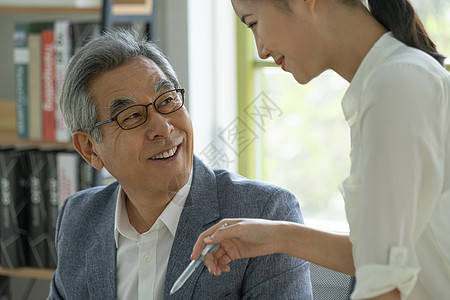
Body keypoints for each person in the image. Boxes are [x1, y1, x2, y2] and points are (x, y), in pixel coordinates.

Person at [191, 0, 450, 299]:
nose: (260, 49)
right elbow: (385, 257)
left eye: (253, 24)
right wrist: (274, 236)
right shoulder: (389, 80)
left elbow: (383, 284)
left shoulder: (395, 86)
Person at [47, 29, 313, 300]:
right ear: (90, 149)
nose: (162, 127)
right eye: (132, 116)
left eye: (167, 100)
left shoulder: (265, 213)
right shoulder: (78, 219)